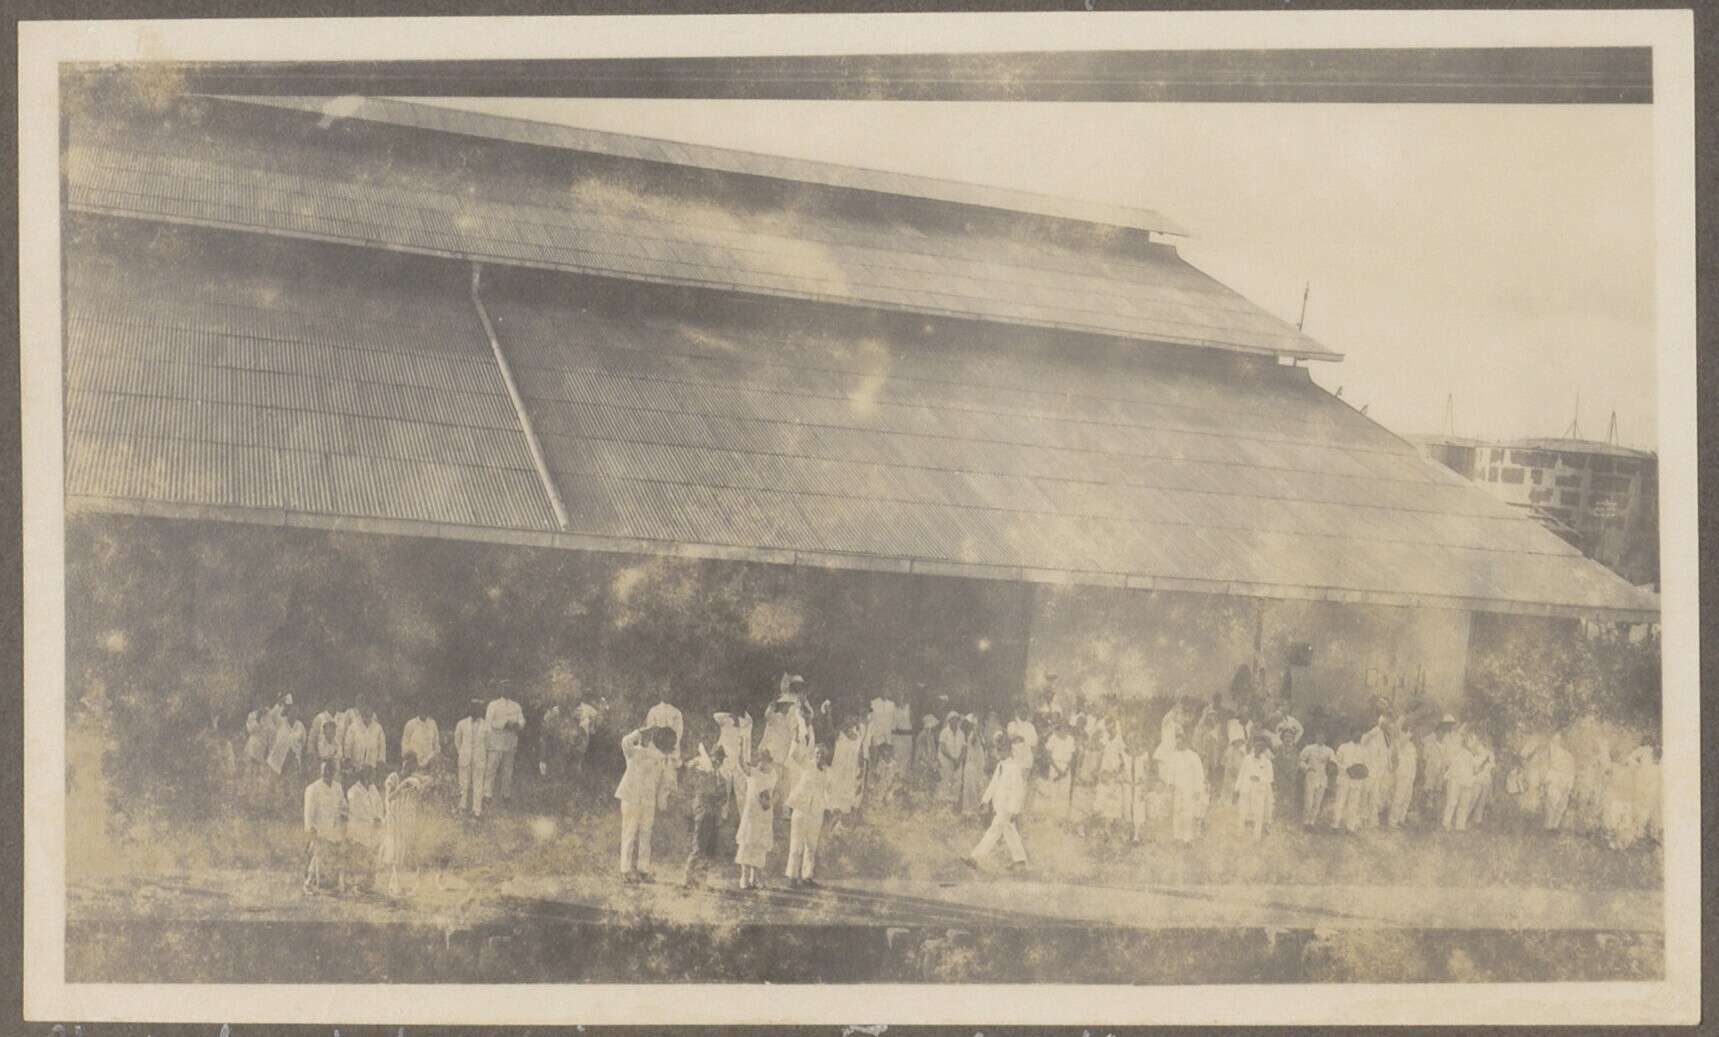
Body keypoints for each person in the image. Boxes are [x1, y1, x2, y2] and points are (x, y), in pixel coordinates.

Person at [615, 724, 676, 883]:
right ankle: (625, 870)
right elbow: (625, 742)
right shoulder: (637, 752)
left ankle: (643, 870)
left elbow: (665, 783)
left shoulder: (663, 760)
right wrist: (640, 731)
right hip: (631, 798)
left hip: (648, 800)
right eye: (667, 743)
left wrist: (662, 800)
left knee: (645, 834)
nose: (668, 748)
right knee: (630, 833)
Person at [965, 733, 1028, 870]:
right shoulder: (1000, 765)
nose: (998, 752)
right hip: (999, 805)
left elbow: (1018, 790)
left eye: (1002, 750)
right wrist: (985, 800)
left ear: (1009, 750)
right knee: (1010, 831)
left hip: (1007, 807)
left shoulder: (1013, 766)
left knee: (994, 829)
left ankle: (976, 857)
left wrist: (1015, 810)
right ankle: (1020, 860)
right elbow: (993, 784)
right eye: (997, 749)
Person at [680, 744, 728, 889]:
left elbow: (724, 797)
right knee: (698, 848)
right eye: (716, 758)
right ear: (711, 758)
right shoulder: (703, 773)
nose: (718, 762)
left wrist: (720, 798)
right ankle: (687, 880)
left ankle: (701, 881)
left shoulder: (720, 777)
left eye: (720, 759)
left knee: (709, 851)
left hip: (714, 816)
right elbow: (704, 793)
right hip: (703, 814)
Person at [380, 758, 430, 895]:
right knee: (395, 851)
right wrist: (402, 786)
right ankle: (396, 884)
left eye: (411, 767)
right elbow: (389, 798)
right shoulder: (393, 778)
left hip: (404, 820)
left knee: (403, 851)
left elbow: (416, 799)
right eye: (406, 766)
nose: (407, 769)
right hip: (393, 819)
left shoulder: (413, 781)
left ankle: (396, 882)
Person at [785, 745, 833, 888]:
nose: (819, 756)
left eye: (822, 754)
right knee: (796, 845)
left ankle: (807, 876)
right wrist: (796, 737)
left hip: (816, 812)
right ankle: (792, 876)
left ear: (826, 756)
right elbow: (793, 753)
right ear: (813, 754)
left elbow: (830, 792)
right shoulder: (806, 764)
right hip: (801, 809)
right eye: (817, 753)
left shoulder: (829, 772)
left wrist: (831, 807)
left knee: (811, 845)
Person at [735, 748, 781, 890]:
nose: (762, 762)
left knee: (760, 845)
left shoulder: (773, 775)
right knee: (747, 843)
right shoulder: (752, 772)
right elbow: (741, 763)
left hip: (765, 814)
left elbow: (778, 793)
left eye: (765, 759)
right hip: (752, 814)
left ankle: (754, 878)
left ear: (769, 761)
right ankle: (744, 877)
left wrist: (771, 802)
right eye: (760, 759)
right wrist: (740, 746)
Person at [302, 761, 347, 894]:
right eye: (325, 770)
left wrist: (346, 815)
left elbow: (344, 806)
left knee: (331, 858)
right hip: (319, 828)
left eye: (330, 770)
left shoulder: (338, 787)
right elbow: (309, 812)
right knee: (317, 856)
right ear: (321, 771)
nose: (327, 773)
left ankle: (330, 885)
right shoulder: (313, 788)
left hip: (334, 829)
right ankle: (308, 884)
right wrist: (311, 828)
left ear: (334, 772)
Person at [1161, 730, 1207, 846]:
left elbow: (1199, 775)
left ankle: (1187, 839)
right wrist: (1170, 783)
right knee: (1177, 812)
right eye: (1177, 743)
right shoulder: (1173, 756)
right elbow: (1170, 772)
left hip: (1189, 789)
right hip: (1177, 788)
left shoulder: (1194, 756)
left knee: (1188, 813)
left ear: (1185, 743)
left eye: (1180, 743)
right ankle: (1177, 836)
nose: (1178, 745)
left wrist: (1198, 790)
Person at [484, 684, 526, 806]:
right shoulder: (493, 705)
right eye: (505, 688)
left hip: (510, 742)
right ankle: (487, 794)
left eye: (509, 688)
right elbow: (488, 722)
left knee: (508, 769)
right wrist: (503, 724)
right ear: (500, 689)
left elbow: (522, 720)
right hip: (496, 742)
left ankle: (506, 794)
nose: (507, 690)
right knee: (491, 768)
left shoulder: (516, 706)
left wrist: (518, 724)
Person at [345, 766, 385, 891]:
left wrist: (379, 818)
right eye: (369, 775)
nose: (372, 778)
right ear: (363, 776)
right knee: (360, 857)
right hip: (360, 830)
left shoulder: (373, 789)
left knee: (373, 855)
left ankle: (368, 883)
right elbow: (357, 812)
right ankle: (355, 885)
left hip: (373, 829)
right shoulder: (353, 791)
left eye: (373, 775)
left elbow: (379, 806)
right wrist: (372, 821)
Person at [454, 699, 489, 817]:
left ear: (481, 710)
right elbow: (457, 741)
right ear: (470, 709)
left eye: (478, 708)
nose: (476, 711)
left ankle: (476, 810)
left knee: (478, 783)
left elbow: (488, 743)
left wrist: (480, 752)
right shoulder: (461, 724)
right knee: (463, 782)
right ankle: (462, 807)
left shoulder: (486, 725)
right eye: (474, 708)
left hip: (479, 758)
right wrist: (462, 752)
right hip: (465, 757)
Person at [1537, 731, 1577, 831]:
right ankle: (1547, 827)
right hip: (1554, 782)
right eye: (1554, 740)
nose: (1555, 743)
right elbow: (1547, 768)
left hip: (1564, 781)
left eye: (1558, 741)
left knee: (1561, 806)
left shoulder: (1568, 756)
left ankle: (1554, 827)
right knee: (1551, 804)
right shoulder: (1549, 753)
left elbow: (1571, 770)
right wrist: (1546, 780)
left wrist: (1569, 785)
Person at [827, 717, 866, 820]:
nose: (848, 726)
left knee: (848, 791)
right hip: (838, 768)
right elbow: (830, 728)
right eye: (846, 724)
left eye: (851, 724)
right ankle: (835, 816)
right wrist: (829, 714)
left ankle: (843, 817)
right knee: (836, 791)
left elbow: (860, 756)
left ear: (854, 725)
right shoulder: (840, 734)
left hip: (851, 769)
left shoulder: (858, 738)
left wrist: (861, 770)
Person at [1235, 737, 1274, 839]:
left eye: (1261, 746)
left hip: (1259, 789)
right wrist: (1237, 788)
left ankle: (1256, 836)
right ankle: (1239, 832)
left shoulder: (1267, 763)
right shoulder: (1246, 759)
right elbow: (1241, 773)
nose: (1258, 748)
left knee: (1258, 812)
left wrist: (1259, 778)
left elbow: (1270, 778)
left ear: (1265, 749)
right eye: (1257, 745)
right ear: (1253, 746)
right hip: (1245, 788)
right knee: (1242, 810)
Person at [1441, 730, 1479, 831]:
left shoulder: (1473, 755)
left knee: (1464, 804)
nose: (1474, 744)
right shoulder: (1457, 749)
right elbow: (1448, 759)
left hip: (1467, 782)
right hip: (1455, 780)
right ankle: (1446, 823)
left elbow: (1475, 768)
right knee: (1452, 802)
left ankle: (1460, 825)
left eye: (1475, 741)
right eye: (1472, 741)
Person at [1040, 720, 1078, 821]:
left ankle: (1062, 817)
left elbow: (1072, 756)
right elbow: (1048, 755)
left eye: (1066, 728)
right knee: (1054, 790)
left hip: (1066, 767)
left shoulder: (1070, 739)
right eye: (1062, 728)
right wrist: (1057, 770)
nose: (1064, 730)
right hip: (1055, 765)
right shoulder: (1053, 737)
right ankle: (1052, 816)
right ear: (1059, 728)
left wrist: (1066, 770)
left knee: (1064, 792)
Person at [1331, 730, 1368, 833]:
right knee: (1340, 802)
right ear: (1351, 735)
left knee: (1353, 804)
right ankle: (1335, 825)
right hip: (1344, 778)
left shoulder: (1364, 750)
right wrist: (1346, 769)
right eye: (1355, 734)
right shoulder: (1343, 747)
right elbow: (1336, 762)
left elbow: (1365, 766)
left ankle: (1350, 827)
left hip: (1357, 781)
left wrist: (1361, 773)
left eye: (1359, 735)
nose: (1358, 737)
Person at [1387, 717, 1419, 828]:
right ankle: (1393, 821)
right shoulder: (1400, 740)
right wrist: (1408, 730)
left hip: (1410, 774)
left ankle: (1401, 819)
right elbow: (1399, 734)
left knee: (1407, 799)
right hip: (1403, 773)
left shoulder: (1411, 745)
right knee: (1399, 797)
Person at [1298, 732, 1335, 828]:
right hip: (1311, 776)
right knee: (1309, 801)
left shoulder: (1329, 750)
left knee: (1317, 802)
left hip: (1322, 777)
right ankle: (1305, 822)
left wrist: (1331, 766)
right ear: (1315, 738)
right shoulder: (1309, 748)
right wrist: (1307, 768)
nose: (1320, 739)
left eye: (1322, 738)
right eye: (1318, 737)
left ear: (1325, 739)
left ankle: (1312, 822)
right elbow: (1300, 760)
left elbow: (1333, 761)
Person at [959, 716, 990, 817]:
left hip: (980, 765)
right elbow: (973, 741)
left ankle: (981, 811)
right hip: (973, 766)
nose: (980, 726)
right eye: (977, 725)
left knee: (981, 788)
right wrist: (974, 730)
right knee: (972, 789)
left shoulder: (981, 736)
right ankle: (972, 813)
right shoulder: (973, 735)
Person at [344, 707, 387, 773]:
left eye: (369, 710)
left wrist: (381, 761)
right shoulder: (353, 727)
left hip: (372, 769)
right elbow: (347, 746)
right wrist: (348, 759)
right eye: (365, 710)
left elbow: (382, 748)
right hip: (355, 768)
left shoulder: (378, 729)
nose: (367, 713)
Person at [937, 711, 966, 808]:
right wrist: (953, 759)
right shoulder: (944, 732)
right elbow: (942, 748)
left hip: (957, 762)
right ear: (948, 721)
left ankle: (954, 804)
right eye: (952, 720)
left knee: (957, 782)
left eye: (956, 720)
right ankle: (945, 806)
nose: (954, 722)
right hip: (947, 761)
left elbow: (964, 748)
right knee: (946, 781)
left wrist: (959, 760)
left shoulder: (961, 733)